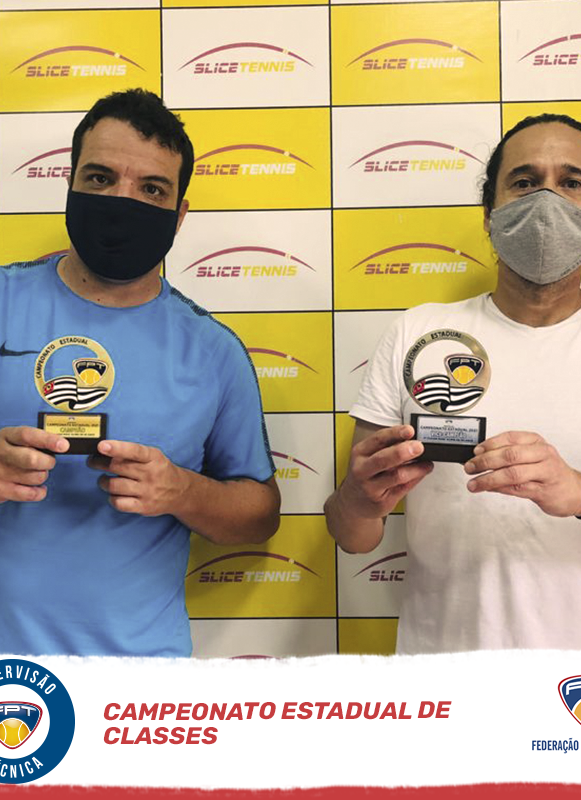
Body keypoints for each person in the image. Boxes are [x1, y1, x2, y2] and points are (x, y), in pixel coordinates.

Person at [0, 89, 280, 657]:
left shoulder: (213, 350)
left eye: (151, 189)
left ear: (179, 215)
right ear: (71, 185)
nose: (121, 201)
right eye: (100, 178)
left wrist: (182, 491)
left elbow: (259, 516)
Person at [325, 113, 581, 654]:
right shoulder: (417, 334)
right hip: (442, 672)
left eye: (572, 182)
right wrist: (360, 500)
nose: (547, 201)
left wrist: (575, 492)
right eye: (525, 182)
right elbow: (351, 534)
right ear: (490, 214)